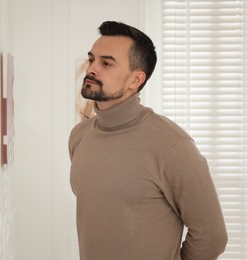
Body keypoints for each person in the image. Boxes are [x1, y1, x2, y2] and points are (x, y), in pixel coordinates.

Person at [68, 21, 228, 260]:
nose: (92, 69)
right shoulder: (80, 136)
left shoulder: (173, 146)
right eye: (92, 59)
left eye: (107, 63)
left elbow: (212, 238)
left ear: (135, 80)